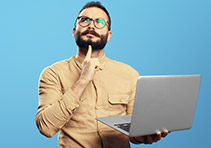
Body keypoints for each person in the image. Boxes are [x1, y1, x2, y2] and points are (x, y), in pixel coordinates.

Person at [35, 1, 169, 148]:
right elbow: (46, 127)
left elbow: (133, 131)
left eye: (100, 22)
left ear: (109, 35)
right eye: (84, 20)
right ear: (74, 31)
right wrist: (83, 80)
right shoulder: (53, 74)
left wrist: (145, 136)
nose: (91, 25)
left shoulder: (129, 74)